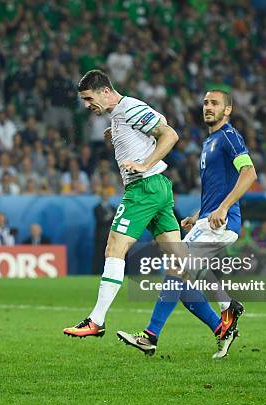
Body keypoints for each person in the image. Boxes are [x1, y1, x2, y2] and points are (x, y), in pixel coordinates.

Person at [117, 90, 257, 358]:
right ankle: (222, 324)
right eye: (205, 103)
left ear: (227, 110)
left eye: (215, 103)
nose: (208, 107)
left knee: (176, 269)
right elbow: (217, 190)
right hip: (207, 221)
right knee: (181, 283)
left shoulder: (229, 136)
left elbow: (249, 174)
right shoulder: (210, 142)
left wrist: (224, 208)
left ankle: (150, 335)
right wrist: (198, 215)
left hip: (224, 223)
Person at [62, 70, 182, 339]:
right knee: (178, 263)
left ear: (105, 91)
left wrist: (143, 164)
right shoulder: (121, 114)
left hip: (143, 188)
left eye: (88, 98)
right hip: (159, 187)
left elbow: (170, 134)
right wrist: (117, 133)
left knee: (115, 246)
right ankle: (224, 310)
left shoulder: (129, 108)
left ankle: (96, 320)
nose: (86, 105)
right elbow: (159, 120)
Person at [92, 190, 116, 275]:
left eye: (107, 195)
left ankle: (110, 274)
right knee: (98, 256)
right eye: (104, 195)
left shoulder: (113, 208)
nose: (105, 197)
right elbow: (101, 220)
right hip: (100, 236)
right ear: (101, 196)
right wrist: (110, 217)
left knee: (110, 256)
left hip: (111, 236)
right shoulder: (97, 208)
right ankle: (95, 274)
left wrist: (108, 218)